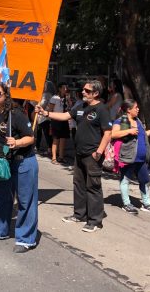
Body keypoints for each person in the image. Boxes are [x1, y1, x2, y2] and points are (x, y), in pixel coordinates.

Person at [38, 80, 111, 233]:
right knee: (78, 185)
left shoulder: (102, 109)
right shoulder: (81, 106)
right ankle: (79, 214)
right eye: (83, 89)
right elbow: (66, 115)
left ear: (96, 93)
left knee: (93, 187)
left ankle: (95, 221)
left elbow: (108, 133)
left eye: (87, 90)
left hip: (93, 155)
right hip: (79, 153)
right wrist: (46, 113)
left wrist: (99, 152)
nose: (83, 92)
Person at [0, 81, 37, 253]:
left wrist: (17, 142)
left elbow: (30, 137)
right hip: (3, 164)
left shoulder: (16, 114)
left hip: (24, 161)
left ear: (6, 95)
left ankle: (26, 239)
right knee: (2, 198)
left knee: (25, 201)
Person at [110, 99, 150, 215]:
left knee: (145, 180)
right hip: (128, 157)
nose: (138, 109)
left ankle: (146, 204)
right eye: (135, 107)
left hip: (141, 158)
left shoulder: (138, 121)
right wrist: (129, 131)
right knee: (125, 180)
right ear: (128, 110)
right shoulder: (122, 121)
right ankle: (126, 204)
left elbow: (143, 135)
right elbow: (113, 134)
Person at [47, 82, 71, 164]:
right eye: (64, 88)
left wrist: (68, 100)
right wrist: (50, 120)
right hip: (56, 119)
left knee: (63, 139)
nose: (65, 89)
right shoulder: (54, 98)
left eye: (66, 88)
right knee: (55, 139)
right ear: (60, 89)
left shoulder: (66, 98)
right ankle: (54, 157)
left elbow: (70, 107)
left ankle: (61, 156)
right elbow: (50, 110)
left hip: (64, 119)